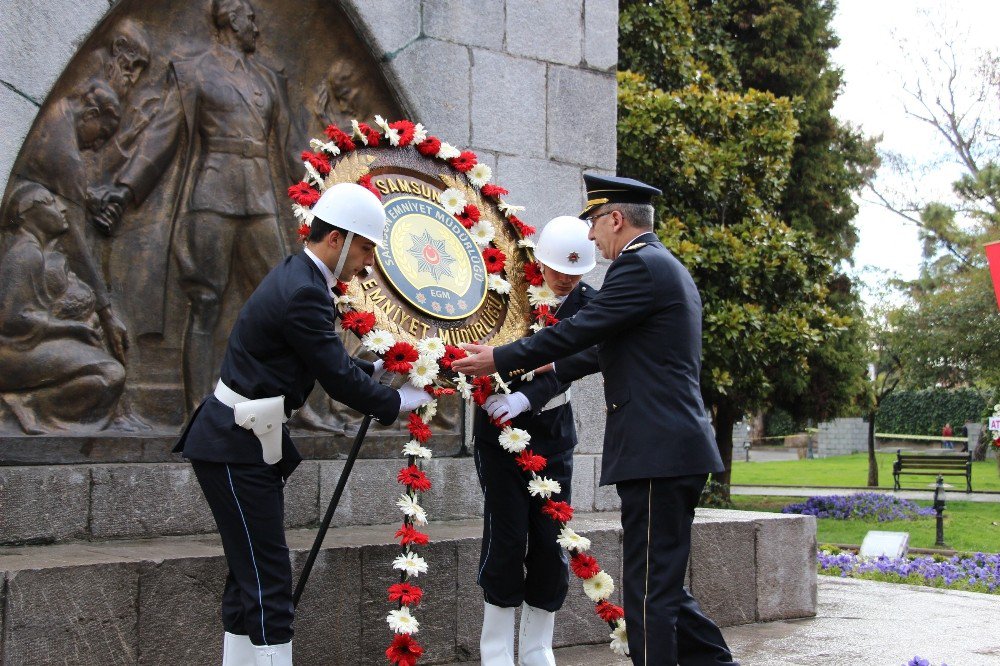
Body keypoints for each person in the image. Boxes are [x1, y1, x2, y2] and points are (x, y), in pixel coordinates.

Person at [453, 174, 738, 666]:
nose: (589, 238)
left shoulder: (639, 267)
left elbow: (582, 329)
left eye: (593, 225)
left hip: (659, 453)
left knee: (649, 591)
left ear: (615, 219)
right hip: (669, 451)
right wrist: (551, 366)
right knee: (659, 586)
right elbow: (601, 345)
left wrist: (500, 358)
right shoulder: (660, 266)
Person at [174, 183, 431, 666]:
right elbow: (335, 377)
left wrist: (377, 369)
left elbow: (319, 359)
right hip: (236, 446)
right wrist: (397, 402)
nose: (367, 263)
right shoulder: (304, 292)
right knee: (268, 577)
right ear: (335, 239)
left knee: (247, 572)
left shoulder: (303, 280)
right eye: (364, 248)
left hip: (241, 443)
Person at [96, 0, 300, 411]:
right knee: (206, 302)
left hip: (260, 197)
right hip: (213, 196)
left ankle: (296, 402)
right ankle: (197, 409)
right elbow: (161, 138)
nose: (257, 31)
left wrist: (341, 187)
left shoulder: (268, 80)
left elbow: (294, 151)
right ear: (231, 19)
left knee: (286, 299)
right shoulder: (194, 71)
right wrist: (124, 189)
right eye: (251, 21)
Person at [474, 216, 597, 666]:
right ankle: (496, 649)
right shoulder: (508, 293)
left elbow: (592, 352)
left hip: (553, 434)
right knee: (506, 539)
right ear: (538, 262)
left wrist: (531, 395)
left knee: (550, 540)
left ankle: (538, 646)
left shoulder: (590, 304)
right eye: (556, 269)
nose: (564, 279)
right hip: (498, 432)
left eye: (575, 271)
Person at [0, 181, 126, 433]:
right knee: (109, 374)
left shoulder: (38, 252)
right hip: (16, 352)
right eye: (49, 203)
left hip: (32, 344)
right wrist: (71, 329)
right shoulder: (24, 255)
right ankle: (27, 406)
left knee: (106, 369)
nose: (61, 208)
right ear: (27, 215)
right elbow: (13, 320)